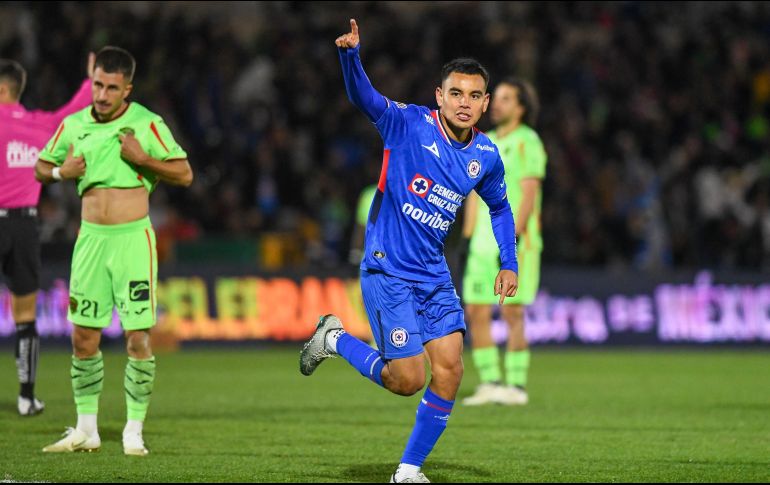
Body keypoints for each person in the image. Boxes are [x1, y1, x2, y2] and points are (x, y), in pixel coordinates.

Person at [300, 20, 518, 483]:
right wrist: (350, 57)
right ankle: (334, 338)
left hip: (433, 273)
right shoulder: (407, 124)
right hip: (388, 270)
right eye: (455, 93)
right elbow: (365, 99)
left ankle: (407, 471)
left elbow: (500, 208)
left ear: (484, 103)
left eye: (474, 95)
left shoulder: (486, 154)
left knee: (451, 370)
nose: (464, 102)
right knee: (407, 380)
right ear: (439, 96)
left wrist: (509, 261)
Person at [35, 46, 193, 455]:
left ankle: (133, 430)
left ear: (128, 90)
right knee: (83, 338)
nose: (102, 95)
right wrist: (60, 173)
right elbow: (40, 167)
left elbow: (184, 172)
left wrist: (143, 159)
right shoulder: (73, 125)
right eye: (98, 85)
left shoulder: (147, 124)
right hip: (89, 241)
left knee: (138, 337)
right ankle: (86, 429)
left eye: (112, 88)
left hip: (132, 242)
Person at [0, 54, 94, 417]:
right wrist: (89, 82)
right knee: (25, 317)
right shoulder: (42, 125)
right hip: (24, 227)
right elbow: (74, 110)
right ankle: (26, 398)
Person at [461, 78, 547, 406]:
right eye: (495, 98)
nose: (496, 104)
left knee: (512, 313)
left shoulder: (528, 141)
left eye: (506, 99)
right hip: (482, 244)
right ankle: (491, 382)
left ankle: (517, 385)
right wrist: (467, 237)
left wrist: (514, 238)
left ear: (521, 107)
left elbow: (528, 193)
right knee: (477, 311)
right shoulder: (483, 142)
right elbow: (473, 195)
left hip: (514, 242)